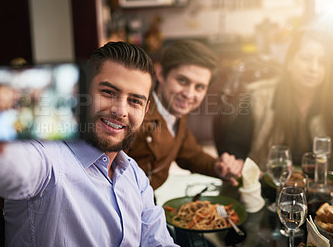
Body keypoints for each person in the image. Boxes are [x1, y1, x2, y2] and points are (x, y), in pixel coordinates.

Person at [0, 42, 178, 246]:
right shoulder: (46, 156)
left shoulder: (135, 175)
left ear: (146, 110)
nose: (120, 110)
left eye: (134, 101)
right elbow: (11, 166)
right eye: (108, 92)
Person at [125, 39, 244, 190]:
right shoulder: (134, 116)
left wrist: (219, 167)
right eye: (182, 80)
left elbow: (192, 155)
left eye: (199, 87)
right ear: (161, 74)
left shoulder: (174, 111)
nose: (189, 94)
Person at [219, 28, 333, 169]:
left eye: (322, 62)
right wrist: (235, 165)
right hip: (267, 185)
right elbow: (235, 148)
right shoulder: (258, 96)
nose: (314, 68)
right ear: (290, 62)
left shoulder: (329, 102)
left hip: (321, 187)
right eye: (306, 59)